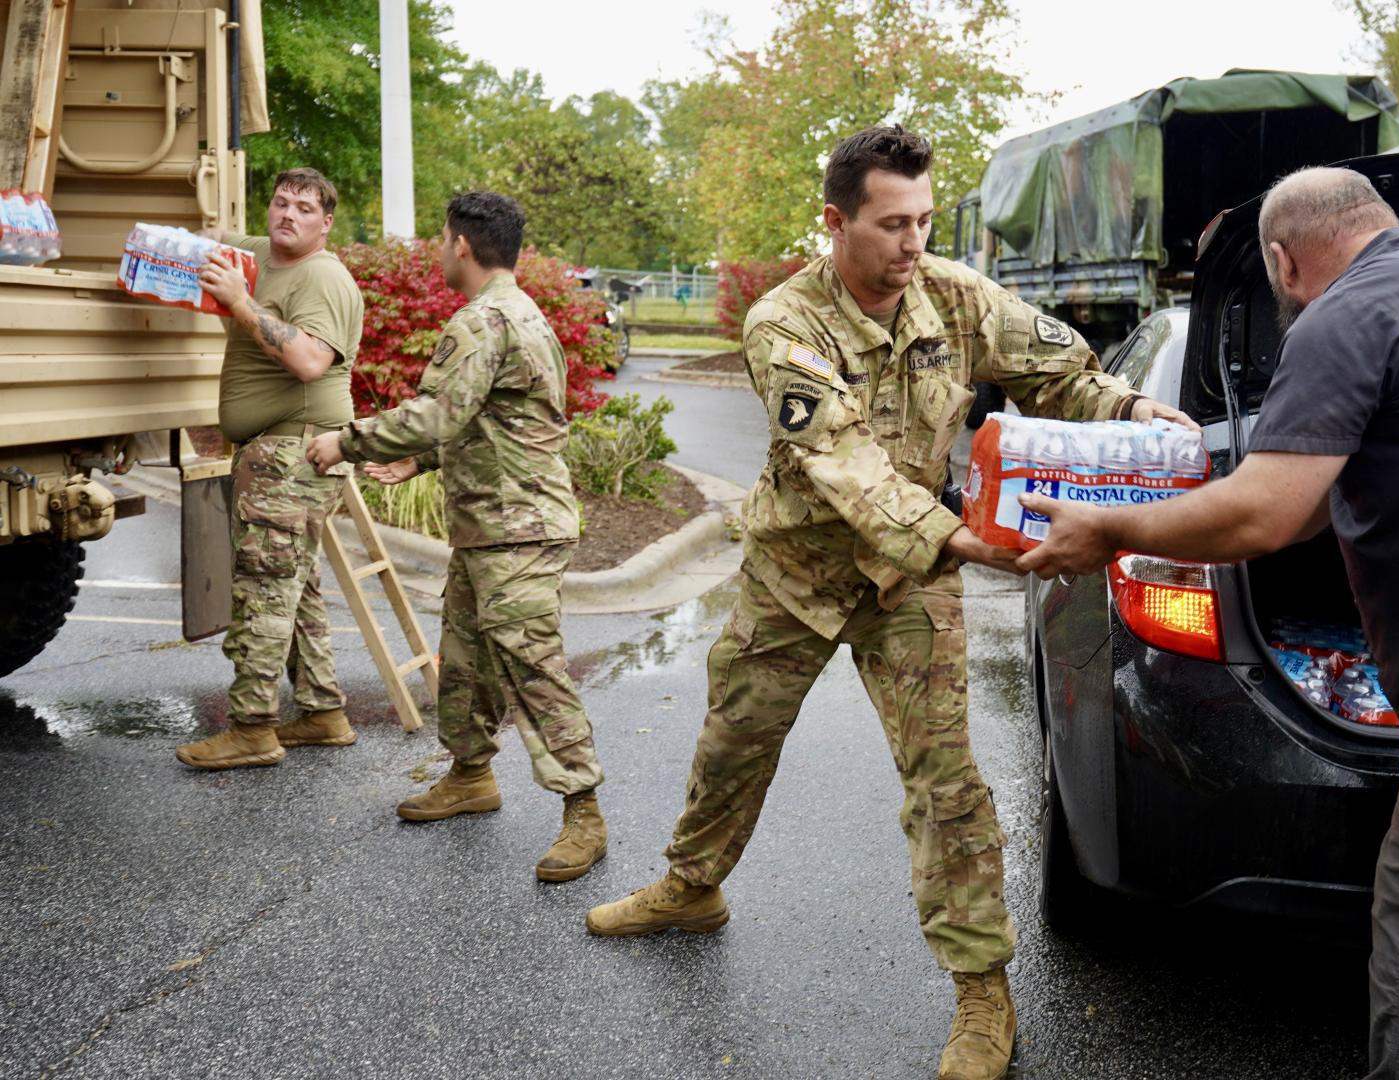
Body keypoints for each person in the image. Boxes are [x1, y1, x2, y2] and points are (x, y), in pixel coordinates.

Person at [584, 125, 1192, 1080]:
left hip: (907, 583)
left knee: (947, 785)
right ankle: (692, 885)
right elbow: (846, 464)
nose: (913, 245)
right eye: (891, 225)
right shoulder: (785, 325)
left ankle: (984, 997)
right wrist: (968, 542)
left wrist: (1126, 409)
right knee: (733, 742)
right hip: (800, 575)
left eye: (923, 221)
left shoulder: (952, 294)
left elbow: (1057, 369)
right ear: (835, 223)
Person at [1014, 166, 1399, 1080]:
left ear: (1284, 260)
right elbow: (1298, 511)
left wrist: (1112, 528)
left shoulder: (1349, 311)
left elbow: (1259, 516)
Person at [306, 192, 608, 882]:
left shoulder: (482, 321)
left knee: (532, 666)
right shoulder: (526, 314)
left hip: (516, 530)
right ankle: (471, 775)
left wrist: (343, 442)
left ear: (462, 246)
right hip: (497, 526)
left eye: (443, 241)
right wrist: (424, 459)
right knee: (466, 658)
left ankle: (584, 813)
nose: (441, 251)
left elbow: (438, 412)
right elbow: (504, 419)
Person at [176, 167, 363, 770]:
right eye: (281, 203)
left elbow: (310, 360)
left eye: (305, 209)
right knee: (294, 586)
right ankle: (322, 712)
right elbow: (203, 242)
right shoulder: (260, 255)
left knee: (263, 592)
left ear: (326, 223)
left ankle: (252, 729)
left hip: (295, 453)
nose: (289, 215)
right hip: (272, 451)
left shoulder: (323, 276)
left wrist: (239, 301)